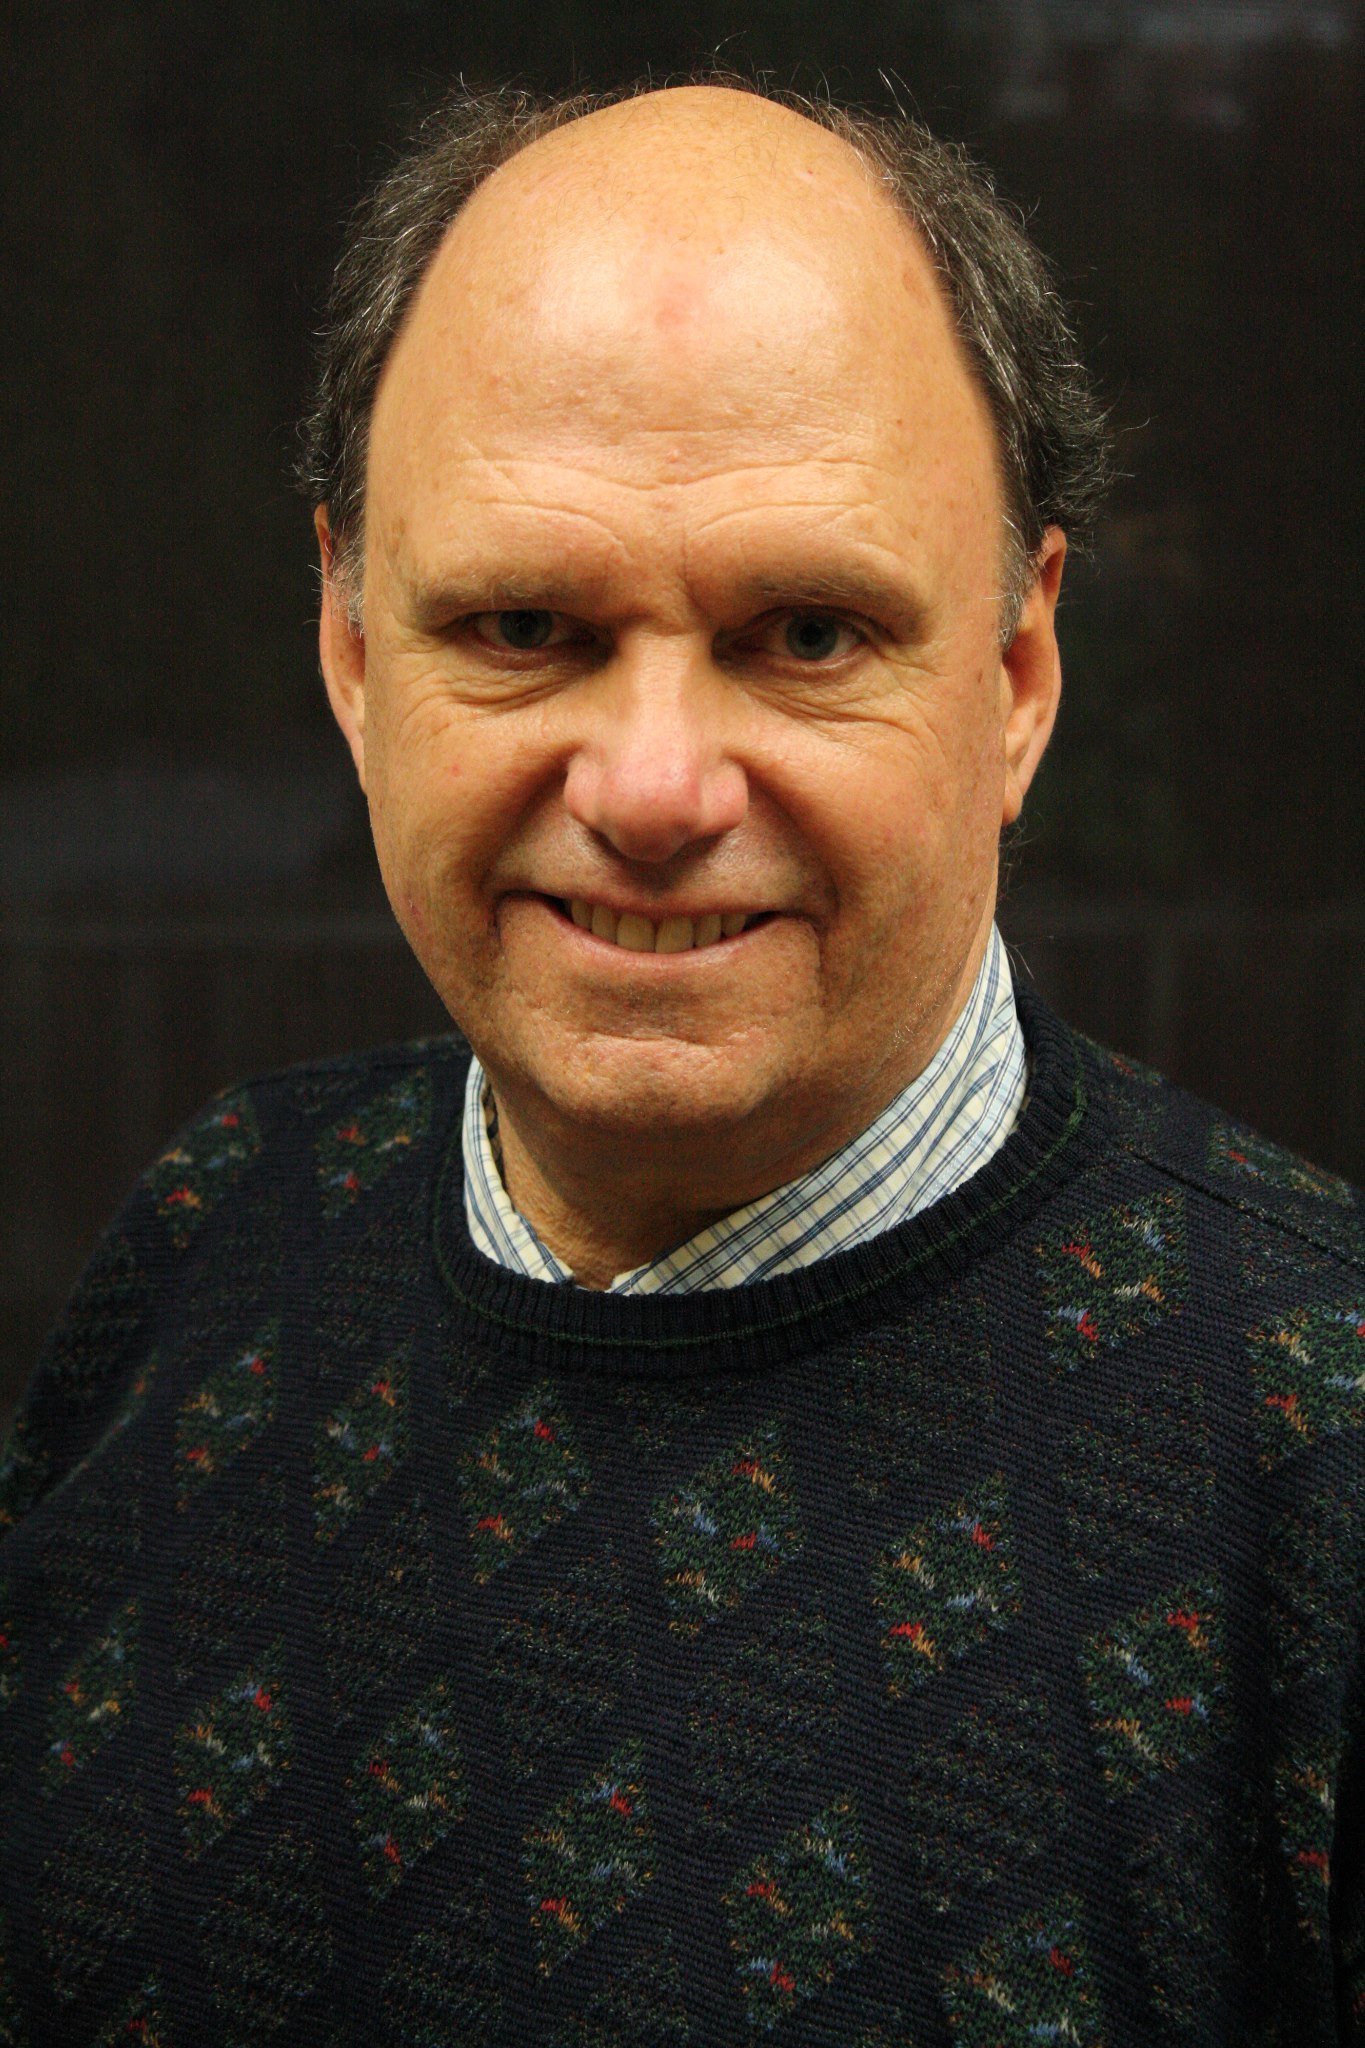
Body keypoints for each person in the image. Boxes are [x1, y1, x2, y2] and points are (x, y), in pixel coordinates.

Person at [1, 77, 1361, 2048]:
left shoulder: (1321, 1463)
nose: (650, 790)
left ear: (1014, 678)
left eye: (803, 631)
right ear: (354, 654)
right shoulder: (218, 1231)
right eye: (522, 623)